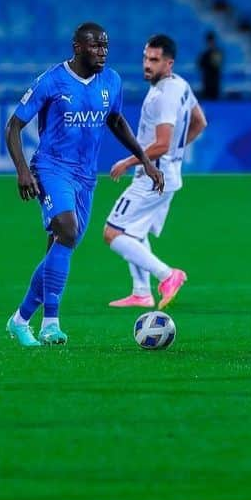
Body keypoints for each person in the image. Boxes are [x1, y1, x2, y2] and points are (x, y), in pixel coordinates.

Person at [4, 22, 164, 346]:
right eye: (95, 46)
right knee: (66, 228)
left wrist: (145, 160)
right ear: (77, 47)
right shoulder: (52, 81)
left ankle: (19, 320)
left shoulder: (112, 81)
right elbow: (13, 126)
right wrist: (23, 171)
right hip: (51, 167)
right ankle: (51, 323)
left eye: (105, 46)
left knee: (61, 246)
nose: (102, 52)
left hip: (85, 176)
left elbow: (116, 121)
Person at [104, 34, 207, 309]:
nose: (147, 64)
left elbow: (161, 143)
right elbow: (200, 122)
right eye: (145, 58)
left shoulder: (163, 96)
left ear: (169, 63)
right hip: (168, 173)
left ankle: (168, 275)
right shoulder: (180, 85)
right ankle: (141, 293)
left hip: (153, 178)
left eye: (154, 60)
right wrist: (176, 151)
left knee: (112, 233)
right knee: (135, 233)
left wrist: (127, 162)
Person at [197, 31, 223, 100]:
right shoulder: (204, 54)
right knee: (207, 98)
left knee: (215, 99)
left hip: (215, 81)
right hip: (206, 80)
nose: (211, 43)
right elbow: (199, 65)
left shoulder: (218, 52)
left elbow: (217, 65)